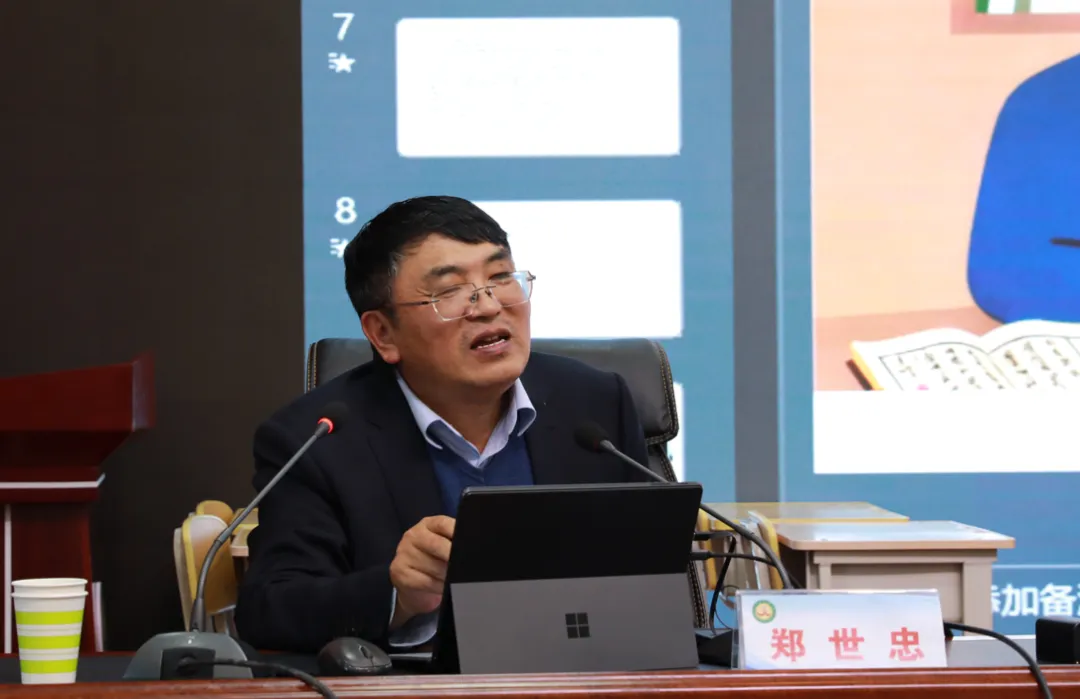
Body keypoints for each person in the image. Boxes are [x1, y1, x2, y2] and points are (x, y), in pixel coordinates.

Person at [234, 195, 651, 653]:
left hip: (585, 670)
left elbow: (650, 580)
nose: (488, 306)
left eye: (500, 277)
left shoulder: (595, 406)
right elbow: (271, 609)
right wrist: (398, 594)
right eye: (449, 291)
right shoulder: (316, 438)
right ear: (383, 334)